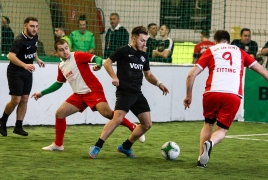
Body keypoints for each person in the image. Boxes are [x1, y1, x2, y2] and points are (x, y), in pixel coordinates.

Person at [31, 39, 145, 151]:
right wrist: (42, 93)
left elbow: (97, 58)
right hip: (79, 95)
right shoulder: (61, 66)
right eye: (61, 50)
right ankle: (58, 144)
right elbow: (59, 83)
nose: (65, 51)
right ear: (56, 52)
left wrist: (98, 65)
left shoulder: (77, 55)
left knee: (107, 113)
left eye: (66, 48)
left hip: (93, 91)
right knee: (60, 114)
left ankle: (133, 126)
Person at [183, 30, 268, 168]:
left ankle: (201, 159)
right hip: (232, 95)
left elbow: (191, 75)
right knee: (221, 130)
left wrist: (188, 95)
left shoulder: (211, 50)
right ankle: (210, 143)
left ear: (215, 41)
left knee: (208, 124)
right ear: (229, 41)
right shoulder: (240, 52)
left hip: (212, 92)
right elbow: (263, 72)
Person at [89, 26, 169, 159]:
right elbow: (107, 63)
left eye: (146, 41)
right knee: (117, 119)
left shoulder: (143, 55)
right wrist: (114, 77)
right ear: (134, 38)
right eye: (142, 40)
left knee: (147, 124)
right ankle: (97, 146)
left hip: (137, 93)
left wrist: (158, 83)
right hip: (124, 92)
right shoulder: (124, 51)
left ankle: (125, 147)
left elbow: (148, 75)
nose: (144, 44)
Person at [0, 17, 45, 137]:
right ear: (25, 25)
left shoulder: (35, 37)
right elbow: (10, 56)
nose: (35, 29)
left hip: (27, 72)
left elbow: (33, 49)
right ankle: (2, 121)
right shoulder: (19, 40)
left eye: (36, 26)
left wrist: (37, 59)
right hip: (15, 72)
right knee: (16, 100)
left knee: (25, 99)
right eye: (32, 26)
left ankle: (18, 126)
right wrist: (24, 65)